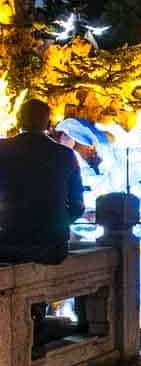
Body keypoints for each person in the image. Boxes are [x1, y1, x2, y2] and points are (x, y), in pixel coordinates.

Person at [0, 99, 84, 265]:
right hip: (53, 247)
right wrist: (55, 224)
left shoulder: (2, 150)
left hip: (9, 241)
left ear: (18, 120)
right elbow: (77, 206)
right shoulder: (66, 155)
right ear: (49, 123)